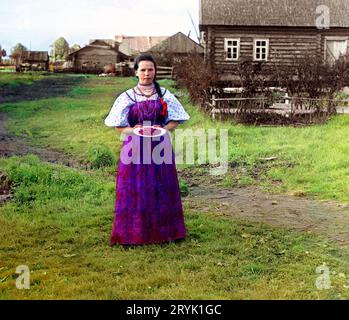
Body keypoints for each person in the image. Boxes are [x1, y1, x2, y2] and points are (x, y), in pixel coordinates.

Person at [105, 54, 190, 246]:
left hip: (159, 146)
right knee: (134, 188)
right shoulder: (127, 96)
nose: (147, 73)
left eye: (150, 69)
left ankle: (166, 233)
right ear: (136, 72)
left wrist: (161, 130)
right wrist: (134, 130)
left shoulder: (164, 94)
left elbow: (177, 119)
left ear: (155, 71)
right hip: (134, 148)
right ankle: (131, 235)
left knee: (161, 187)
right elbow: (118, 126)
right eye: (142, 70)